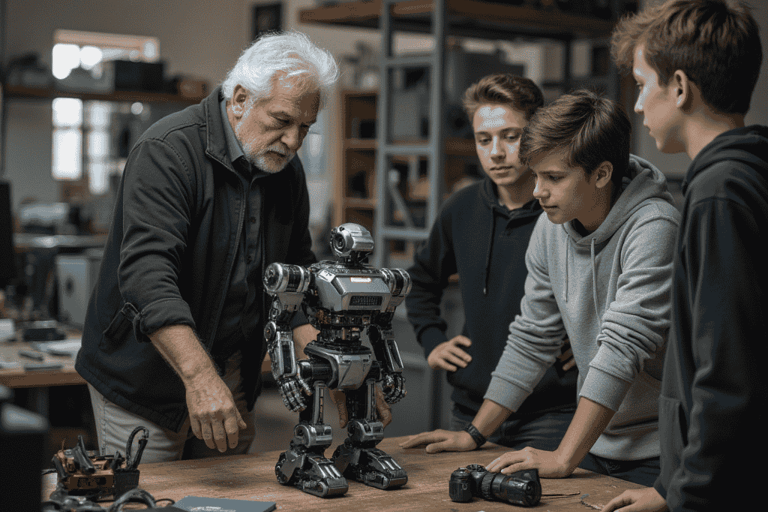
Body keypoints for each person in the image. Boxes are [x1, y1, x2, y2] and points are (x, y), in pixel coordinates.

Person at [75, 31, 350, 462]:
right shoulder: (167, 152)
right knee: (152, 499)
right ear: (239, 99)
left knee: (229, 502)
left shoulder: (285, 170)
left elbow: (297, 277)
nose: (294, 142)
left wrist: (333, 372)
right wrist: (200, 379)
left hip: (232, 369)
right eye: (281, 121)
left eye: (305, 128)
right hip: (145, 377)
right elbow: (147, 279)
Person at [402, 90, 681, 487]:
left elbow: (621, 350)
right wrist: (475, 433)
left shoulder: (654, 228)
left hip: (658, 451)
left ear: (601, 174)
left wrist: (565, 457)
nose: (537, 192)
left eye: (553, 178)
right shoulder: (551, 230)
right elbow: (532, 338)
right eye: (536, 175)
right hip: (596, 444)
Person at [603, 1, 766, 510]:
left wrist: (687, 496)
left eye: (641, 82)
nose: (636, 105)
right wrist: (665, 487)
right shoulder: (744, 176)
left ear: (679, 86)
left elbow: (728, 371)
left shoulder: (721, 191)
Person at [405, 74, 578, 451]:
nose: (496, 152)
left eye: (511, 136)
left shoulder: (566, 210)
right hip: (470, 408)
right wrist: (432, 340)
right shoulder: (461, 208)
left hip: (550, 414)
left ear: (536, 133)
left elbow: (611, 289)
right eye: (484, 140)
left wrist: (587, 344)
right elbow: (419, 281)